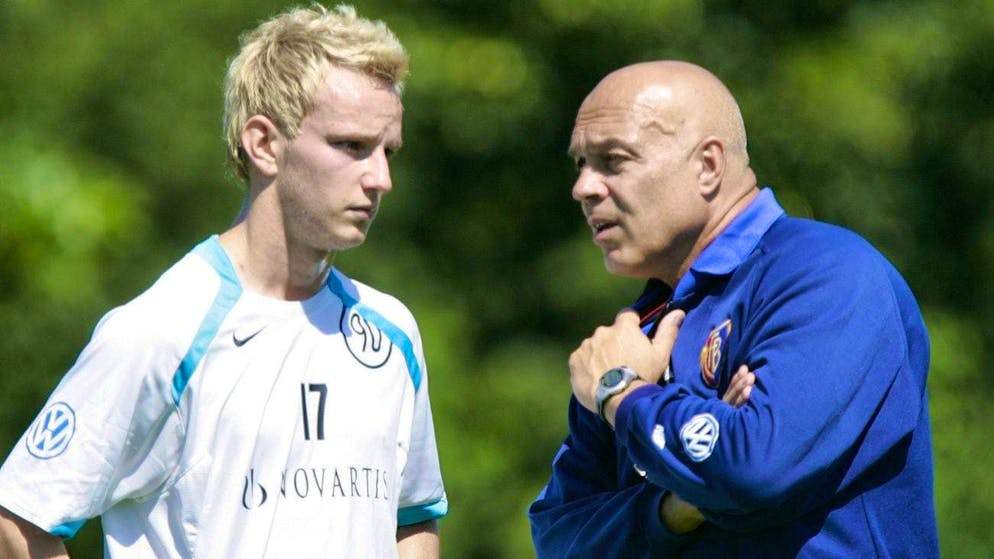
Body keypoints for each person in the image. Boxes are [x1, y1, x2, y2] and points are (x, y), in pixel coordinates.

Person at [0, 4, 446, 558]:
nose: (381, 178)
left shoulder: (392, 332)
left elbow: (413, 520)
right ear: (263, 144)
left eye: (388, 152)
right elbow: (18, 522)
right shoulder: (160, 330)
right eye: (351, 146)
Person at [528, 60, 938, 557]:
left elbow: (755, 469)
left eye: (613, 160)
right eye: (580, 164)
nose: (584, 188)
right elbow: (557, 538)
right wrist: (675, 507)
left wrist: (622, 394)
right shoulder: (639, 329)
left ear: (708, 166)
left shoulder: (828, 274)